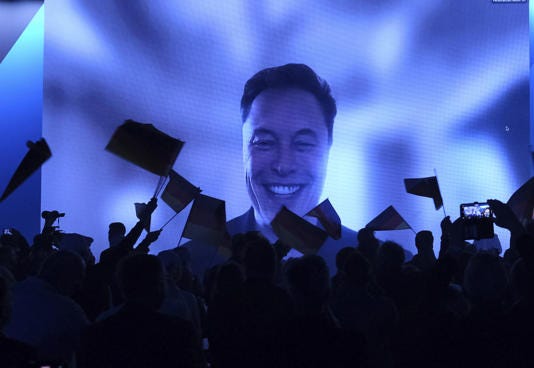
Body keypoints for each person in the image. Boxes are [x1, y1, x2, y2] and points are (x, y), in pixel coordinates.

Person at [188, 64, 358, 276]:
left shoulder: (375, 266)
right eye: (264, 142)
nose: (283, 166)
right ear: (242, 147)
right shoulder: (188, 265)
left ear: (329, 147)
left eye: (303, 144)